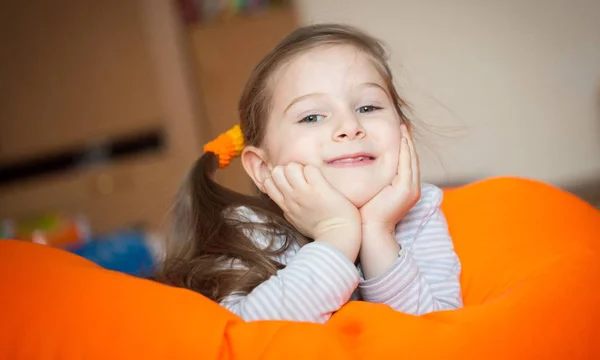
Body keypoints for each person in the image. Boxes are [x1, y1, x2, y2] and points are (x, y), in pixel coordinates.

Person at [156, 24, 463, 323]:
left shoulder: (420, 212)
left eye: (368, 108)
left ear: (403, 134)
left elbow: (439, 335)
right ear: (263, 169)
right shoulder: (246, 230)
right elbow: (247, 339)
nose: (349, 127)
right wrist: (336, 234)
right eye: (312, 117)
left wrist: (378, 232)